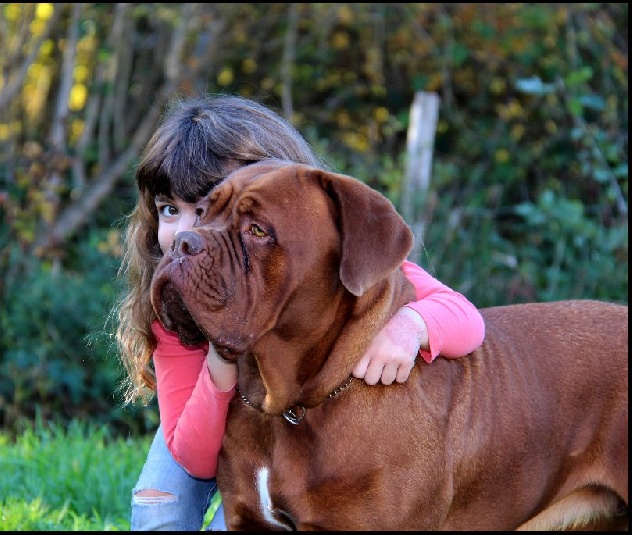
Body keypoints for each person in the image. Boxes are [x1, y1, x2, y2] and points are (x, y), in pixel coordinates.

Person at [114, 94, 485, 531]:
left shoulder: (347, 258)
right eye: (170, 211)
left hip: (281, 417)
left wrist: (411, 325)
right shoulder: (177, 297)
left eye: (248, 225)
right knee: (159, 505)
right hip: (203, 420)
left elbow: (467, 317)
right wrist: (220, 362)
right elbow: (193, 458)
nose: (190, 234)